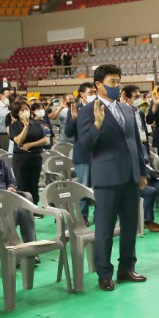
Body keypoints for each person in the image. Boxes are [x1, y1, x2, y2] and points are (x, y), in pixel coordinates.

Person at [77, 64, 149, 292]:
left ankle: (127, 267)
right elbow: (85, 144)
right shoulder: (88, 111)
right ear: (99, 84)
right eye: (112, 82)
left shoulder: (127, 109)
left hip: (131, 175)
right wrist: (97, 124)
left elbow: (136, 143)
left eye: (118, 82)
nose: (117, 86)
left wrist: (142, 171)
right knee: (105, 229)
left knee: (130, 226)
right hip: (107, 177)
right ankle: (104, 274)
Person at [0, 129, 37, 244]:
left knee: (24, 211)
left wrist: (11, 187)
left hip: (4, 200)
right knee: (11, 212)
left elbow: (11, 181)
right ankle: (8, 248)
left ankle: (31, 246)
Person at [65, 81, 96, 221]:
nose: (93, 94)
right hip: (83, 154)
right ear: (82, 94)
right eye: (90, 92)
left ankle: (99, 214)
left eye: (94, 92)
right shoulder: (75, 108)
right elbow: (68, 133)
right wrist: (73, 119)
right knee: (83, 187)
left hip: (98, 153)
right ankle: (83, 216)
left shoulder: (98, 106)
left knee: (98, 187)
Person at [8, 100, 48, 206]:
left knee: (34, 185)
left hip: (35, 157)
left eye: (26, 109)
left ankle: (35, 208)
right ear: (17, 113)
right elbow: (18, 141)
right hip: (21, 159)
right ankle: (24, 209)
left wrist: (31, 144)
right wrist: (25, 127)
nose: (25, 111)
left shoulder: (36, 124)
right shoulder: (14, 126)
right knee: (22, 186)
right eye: (22, 110)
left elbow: (45, 140)